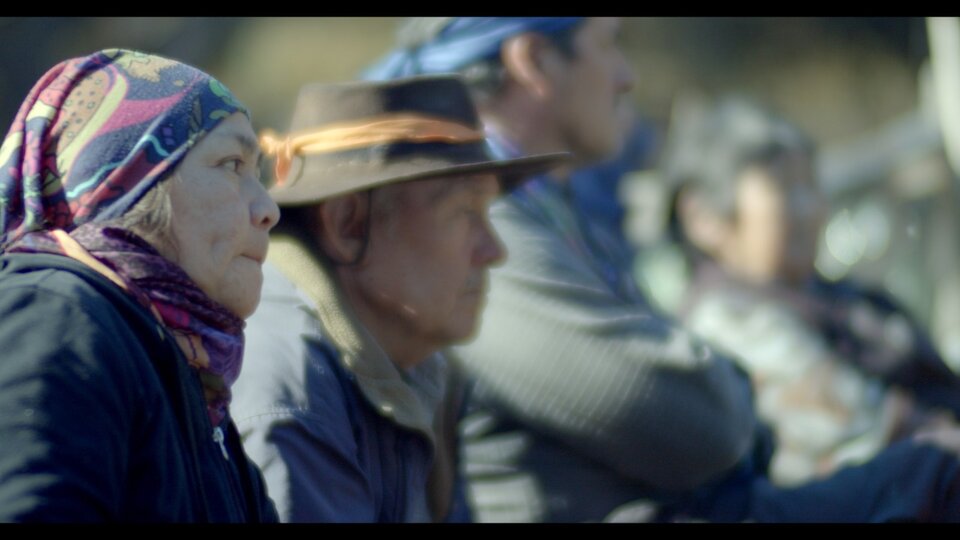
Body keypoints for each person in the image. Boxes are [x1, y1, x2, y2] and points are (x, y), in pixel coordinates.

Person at [364, 17, 960, 522]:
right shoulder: (480, 221)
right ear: (535, 61)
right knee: (934, 476)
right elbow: (662, 410)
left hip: (690, 506)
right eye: (609, 45)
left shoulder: (545, 204)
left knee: (932, 472)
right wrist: (734, 391)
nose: (627, 76)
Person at [230, 75, 567, 522]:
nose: (494, 250)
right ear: (348, 224)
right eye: (464, 212)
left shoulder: (416, 363)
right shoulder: (292, 390)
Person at [0, 49, 280, 522]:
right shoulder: (56, 317)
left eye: (258, 173)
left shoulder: (192, 380)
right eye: (232, 164)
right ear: (126, 181)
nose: (268, 209)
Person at [661, 96, 960, 486]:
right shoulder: (728, 322)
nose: (809, 208)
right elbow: (876, 431)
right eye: (785, 189)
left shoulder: (832, 295)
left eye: (811, 186)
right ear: (704, 218)